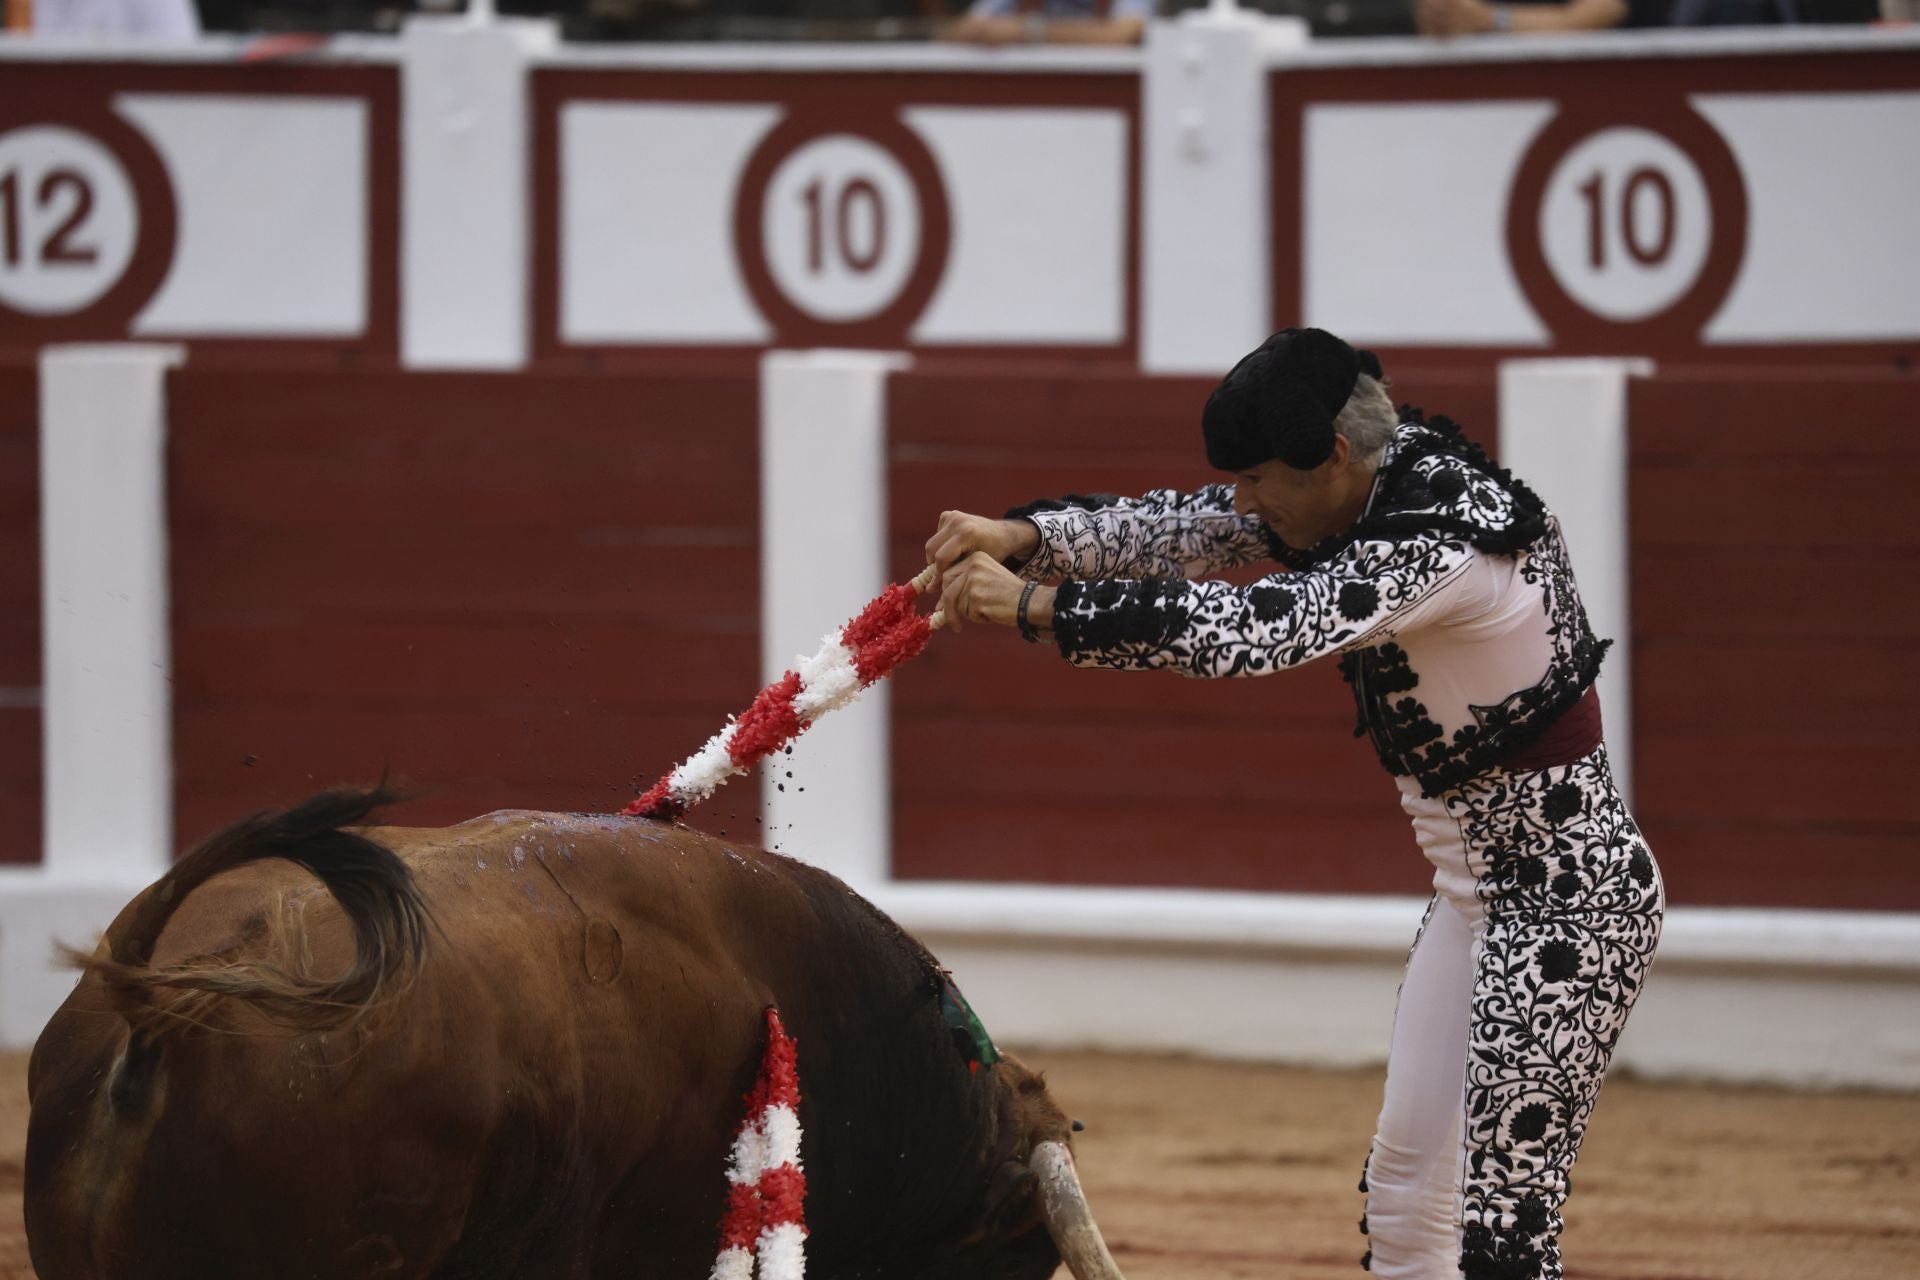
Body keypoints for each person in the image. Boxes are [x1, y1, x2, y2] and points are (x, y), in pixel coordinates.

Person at [923, 327, 1664, 1280]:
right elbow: (1189, 527)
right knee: (1404, 1197)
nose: (1246, 503)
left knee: (1505, 1229)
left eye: (1261, 479)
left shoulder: (1440, 542)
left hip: (1570, 903)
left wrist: (1037, 609)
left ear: (1335, 458)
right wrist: (1026, 538)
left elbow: (1262, 629)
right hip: (1472, 896)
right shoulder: (1367, 493)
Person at [941, 0, 1154, 46]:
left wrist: (1028, 30)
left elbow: (1126, 34)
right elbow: (960, 31)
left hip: (1102, 103)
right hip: (1031, 106)